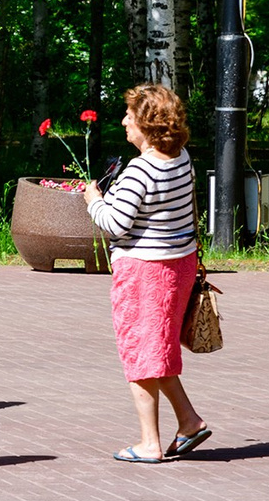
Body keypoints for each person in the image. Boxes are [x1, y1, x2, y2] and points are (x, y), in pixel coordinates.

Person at [85, 82, 211, 461]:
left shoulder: (141, 171)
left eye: (130, 116)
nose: (124, 122)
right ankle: (190, 422)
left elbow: (115, 224)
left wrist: (94, 201)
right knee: (159, 347)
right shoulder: (182, 157)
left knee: (139, 352)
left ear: (148, 125)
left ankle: (149, 444)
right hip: (179, 266)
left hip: (144, 271)